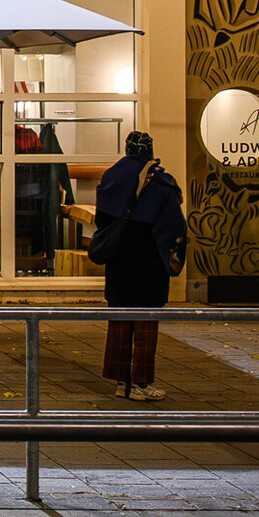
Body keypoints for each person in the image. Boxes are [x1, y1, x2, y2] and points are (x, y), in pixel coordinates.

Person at [96, 130, 188, 400]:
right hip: (149, 260)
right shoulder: (160, 182)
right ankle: (141, 383)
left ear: (127, 149)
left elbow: (102, 220)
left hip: (119, 259)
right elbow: (174, 226)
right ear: (149, 150)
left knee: (120, 319)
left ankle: (120, 381)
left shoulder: (111, 177)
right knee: (146, 322)